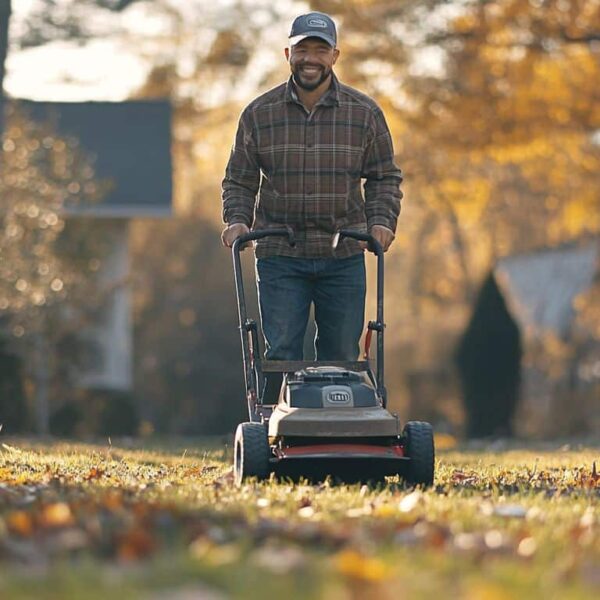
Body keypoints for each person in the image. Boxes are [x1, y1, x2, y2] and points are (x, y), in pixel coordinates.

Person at [221, 11, 402, 399]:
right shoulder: (258, 114)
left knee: (341, 353)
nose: (311, 59)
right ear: (288, 53)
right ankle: (276, 428)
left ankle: (335, 432)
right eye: (303, 49)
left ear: (335, 56)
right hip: (279, 254)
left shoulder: (364, 113)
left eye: (320, 50)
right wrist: (238, 221)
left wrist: (381, 221)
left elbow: (385, 176)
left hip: (345, 253)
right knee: (282, 350)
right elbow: (240, 178)